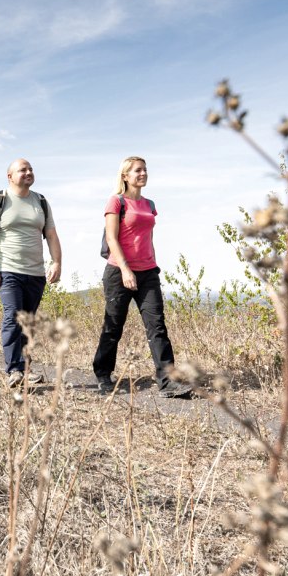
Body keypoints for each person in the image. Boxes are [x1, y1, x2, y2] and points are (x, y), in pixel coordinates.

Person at [93, 156, 191, 398]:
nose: (143, 173)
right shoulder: (116, 202)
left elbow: (147, 237)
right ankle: (103, 375)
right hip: (119, 272)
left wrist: (152, 264)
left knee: (157, 326)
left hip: (148, 272)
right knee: (114, 326)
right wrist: (126, 270)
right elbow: (112, 238)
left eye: (145, 170)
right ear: (125, 176)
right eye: (138, 170)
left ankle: (168, 382)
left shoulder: (149, 204)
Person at [0, 158, 62, 387]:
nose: (28, 172)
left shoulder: (41, 202)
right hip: (9, 270)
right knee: (13, 316)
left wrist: (57, 263)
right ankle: (14, 371)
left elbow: (52, 236)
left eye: (30, 169)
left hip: (36, 273)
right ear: (10, 177)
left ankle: (25, 369)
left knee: (27, 322)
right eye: (22, 170)